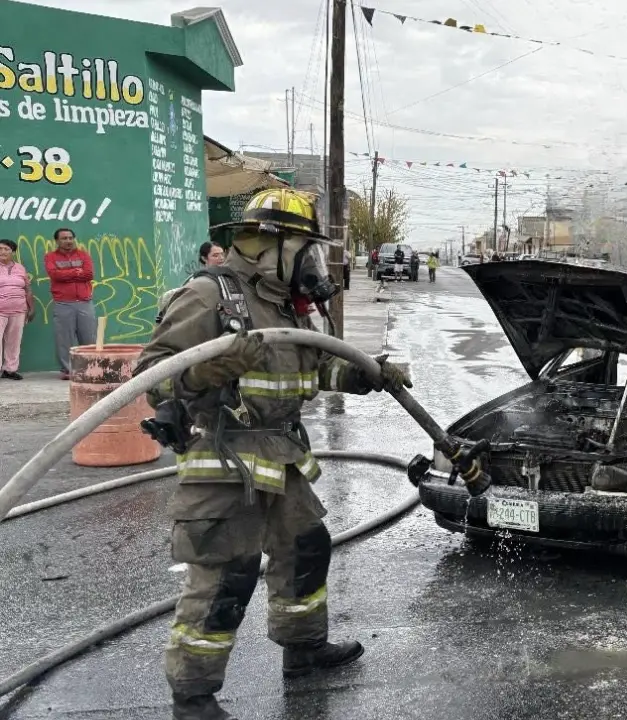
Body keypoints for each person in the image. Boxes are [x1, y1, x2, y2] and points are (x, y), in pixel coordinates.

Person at [136, 188, 411, 720]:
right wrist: (209, 370)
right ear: (270, 245)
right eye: (304, 248)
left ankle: (303, 650)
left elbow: (313, 370)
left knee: (306, 546)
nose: (312, 261)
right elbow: (154, 376)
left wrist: (363, 373)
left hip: (280, 453)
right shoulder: (208, 295)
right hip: (224, 454)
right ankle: (193, 698)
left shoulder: (285, 305)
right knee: (225, 574)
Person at [44, 227, 97, 380]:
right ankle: (68, 370)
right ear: (57, 241)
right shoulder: (51, 257)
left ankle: (90, 368)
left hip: (84, 302)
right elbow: (54, 275)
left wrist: (68, 273)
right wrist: (76, 272)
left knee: (88, 337)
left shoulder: (83, 255)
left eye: (70, 238)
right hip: (63, 303)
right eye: (64, 238)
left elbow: (89, 274)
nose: (68, 241)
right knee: (64, 339)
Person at [0, 239, 37, 380]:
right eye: (0, 249)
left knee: (14, 341)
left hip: (19, 310)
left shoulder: (20, 268)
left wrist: (31, 308)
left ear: (13, 252)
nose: (2, 252)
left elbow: (27, 289)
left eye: (6, 249)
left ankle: (10, 370)